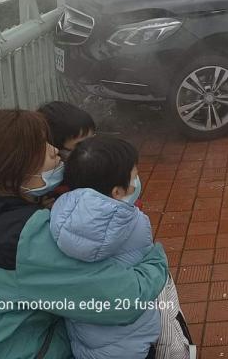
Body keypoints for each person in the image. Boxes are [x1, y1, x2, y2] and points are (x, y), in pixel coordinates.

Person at [0, 109, 168, 359]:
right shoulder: (25, 237)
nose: (55, 150)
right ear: (12, 172)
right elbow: (123, 301)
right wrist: (154, 259)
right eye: (41, 147)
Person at [50, 136, 187, 359]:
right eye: (134, 177)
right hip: (133, 339)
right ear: (117, 192)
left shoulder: (57, 215)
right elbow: (146, 274)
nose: (137, 182)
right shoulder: (134, 223)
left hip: (86, 339)